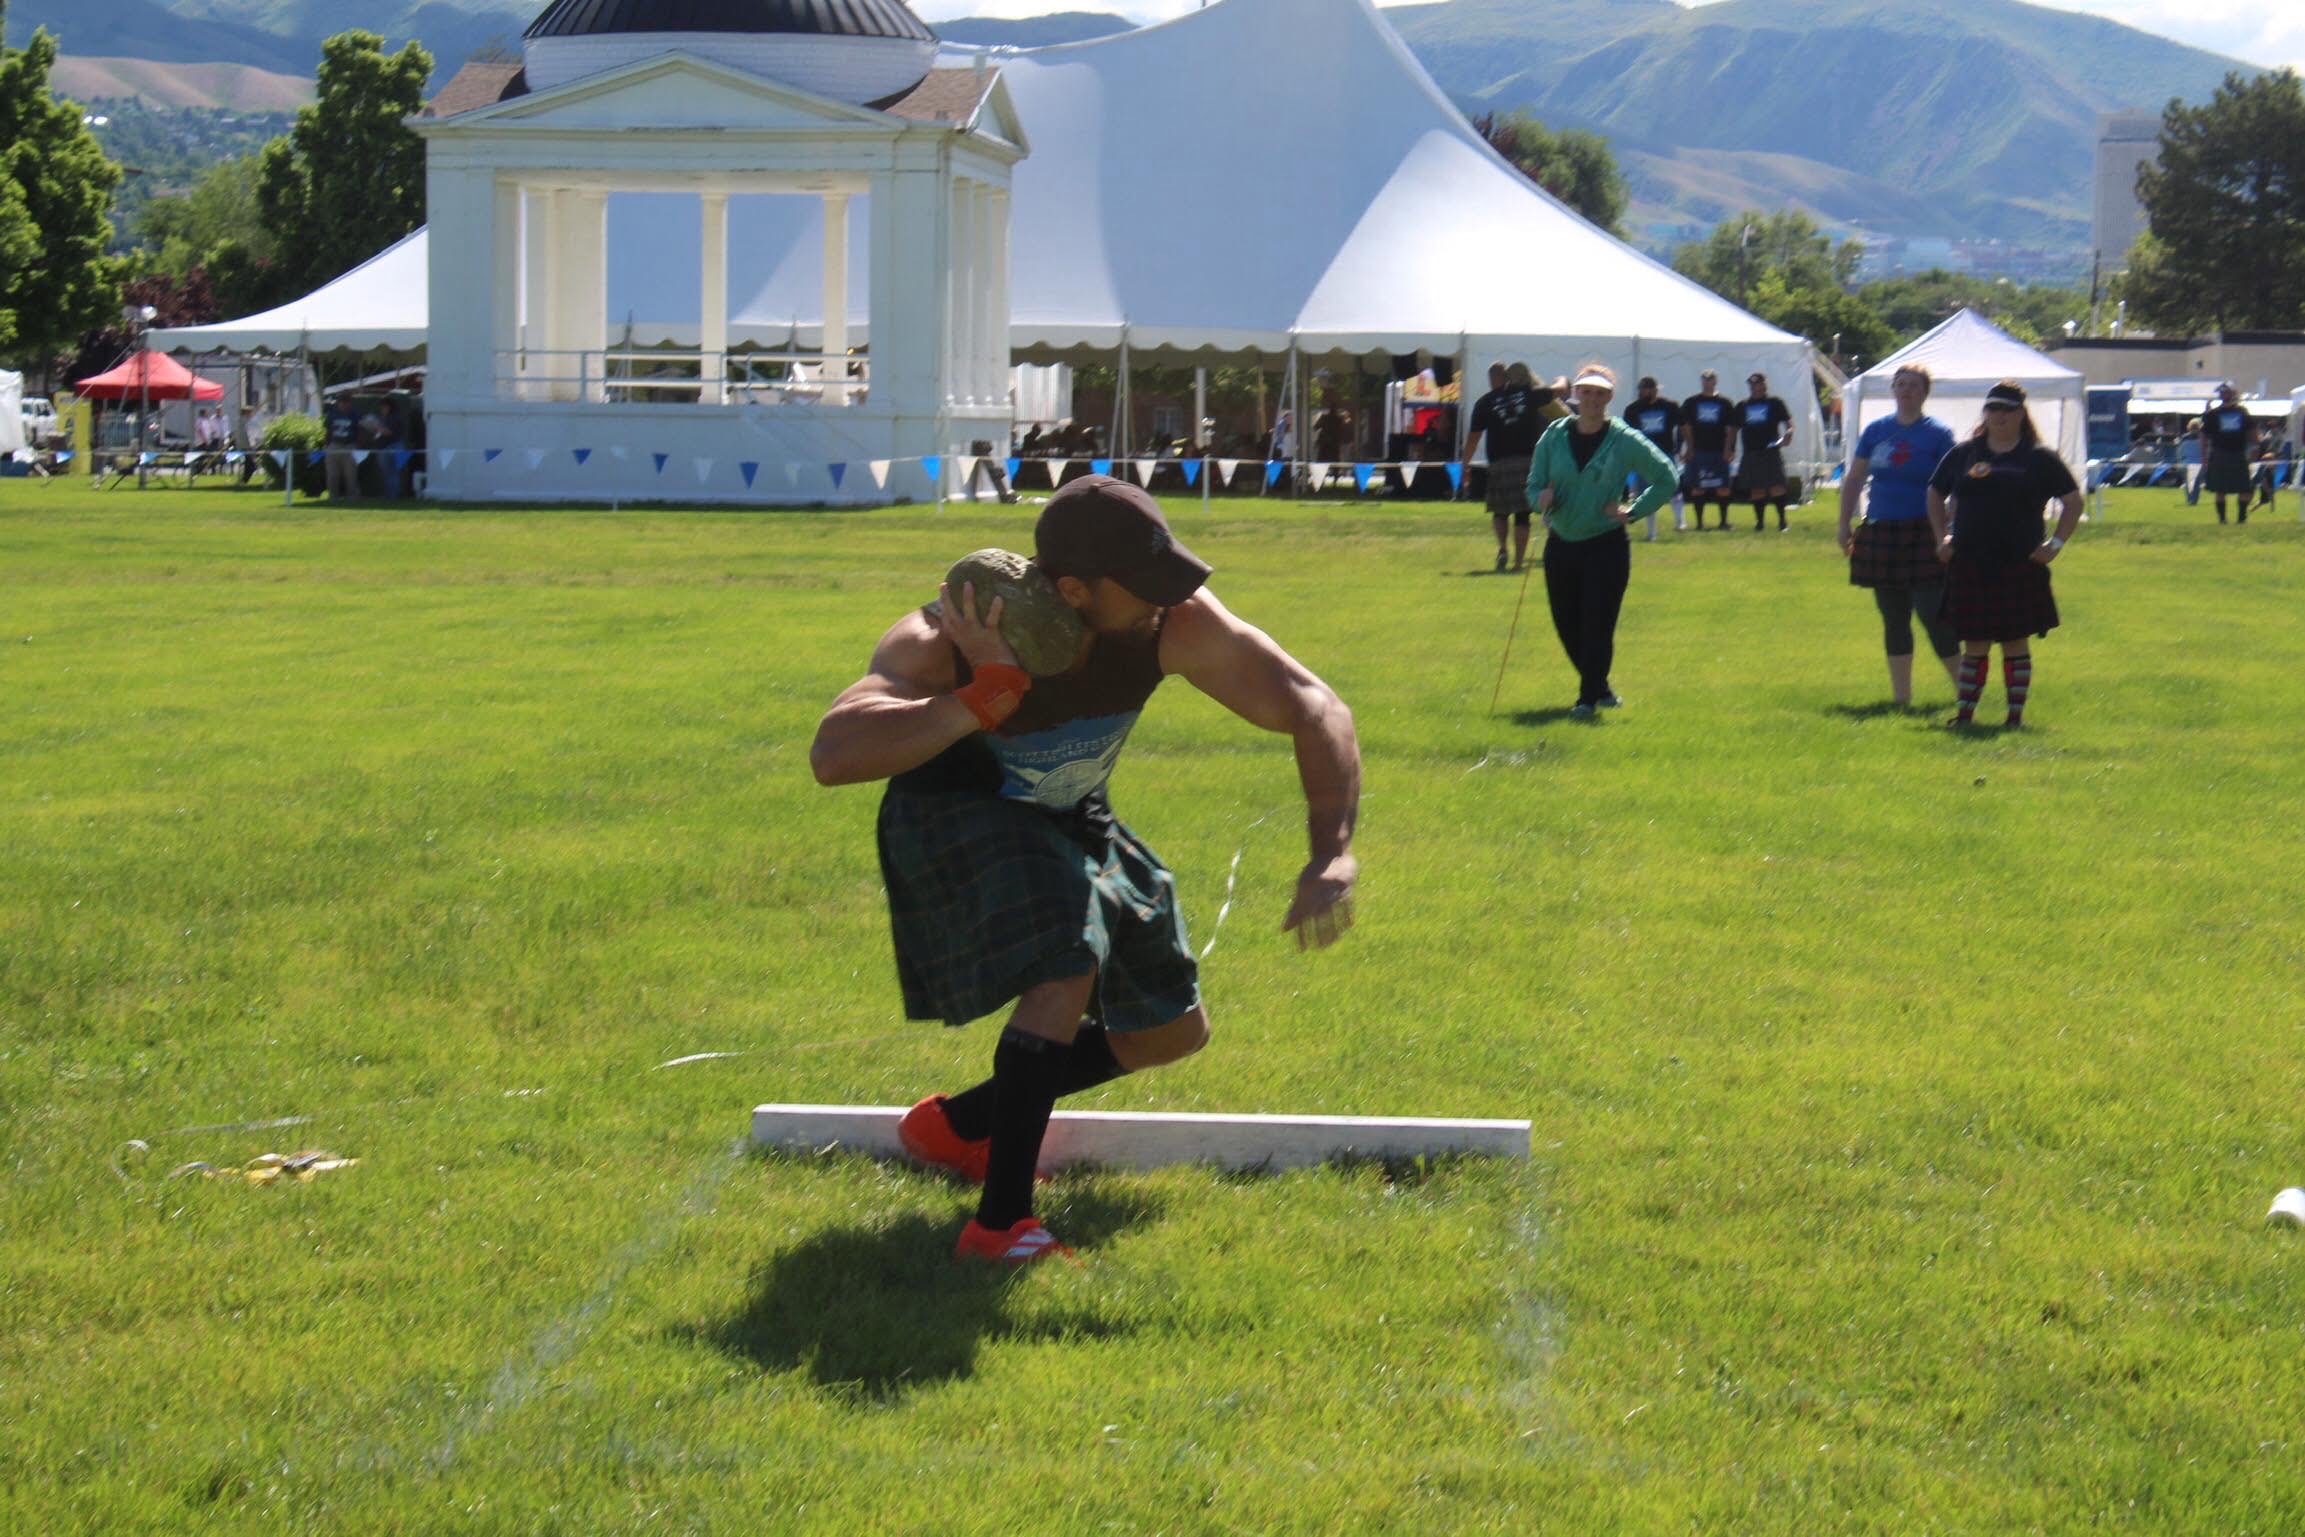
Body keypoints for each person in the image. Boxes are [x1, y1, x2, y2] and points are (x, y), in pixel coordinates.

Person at [809, 474, 1361, 1265]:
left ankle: (955, 1126)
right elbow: (835, 752)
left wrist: (1330, 848)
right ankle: (999, 1227)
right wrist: (983, 692)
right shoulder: (952, 634)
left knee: (1169, 1030)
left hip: (1072, 815)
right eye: (1141, 587)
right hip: (955, 813)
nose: (1161, 600)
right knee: (1067, 956)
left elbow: (1313, 703)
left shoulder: (1168, 622)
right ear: (1071, 588)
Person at [1927, 381, 2084, 729]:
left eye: (2007, 409)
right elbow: (1935, 492)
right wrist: (1942, 538)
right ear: (1985, 412)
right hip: (1970, 561)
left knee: (2015, 641)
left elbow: (2073, 501)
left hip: (2020, 562)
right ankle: (1965, 716)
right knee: (1975, 642)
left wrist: (2055, 545)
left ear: (2020, 414)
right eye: (1993, 408)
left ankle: (2014, 718)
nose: (1999, 415)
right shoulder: (1965, 453)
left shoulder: (2038, 457)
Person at [1525, 363, 1678, 717]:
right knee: (1566, 624)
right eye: (1586, 392)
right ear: (1576, 395)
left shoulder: (1623, 438)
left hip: (1605, 545)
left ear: (1609, 397)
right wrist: (1540, 500)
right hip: (1561, 541)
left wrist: (1633, 511)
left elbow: (1667, 477)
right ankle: (1600, 686)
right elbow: (1534, 485)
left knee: (1598, 622)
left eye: (1600, 393)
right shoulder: (1554, 435)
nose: (1592, 399)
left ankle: (1586, 699)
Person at [1839, 366, 1960, 706]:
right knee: (1893, 616)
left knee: (1932, 613)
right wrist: (1843, 523)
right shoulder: (1876, 431)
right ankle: (1901, 697)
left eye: (1914, 386)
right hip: (1881, 529)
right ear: (1893, 390)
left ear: (1925, 392)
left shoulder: (1938, 434)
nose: (1906, 391)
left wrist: (1949, 526)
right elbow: (1854, 479)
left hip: (1924, 530)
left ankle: (1966, 690)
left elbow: (1957, 485)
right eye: (1901, 385)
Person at [1463, 361, 1542, 571]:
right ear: (1508, 377)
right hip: (1526, 461)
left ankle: (1503, 549)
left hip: (1498, 463)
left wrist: (1465, 466)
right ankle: (1517, 563)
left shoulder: (1485, 402)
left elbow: (1473, 438)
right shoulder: (1527, 394)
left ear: (1491, 379)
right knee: (1522, 514)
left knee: (1499, 512)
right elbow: (1557, 391)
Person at [1622, 376, 1685, 538]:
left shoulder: (1669, 406)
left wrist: (1680, 445)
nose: (1644, 392)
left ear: (1656, 389)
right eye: (1642, 389)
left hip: (1665, 452)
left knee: (1673, 486)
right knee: (1646, 493)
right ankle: (1652, 533)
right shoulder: (1632, 409)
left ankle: (1680, 521)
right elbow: (1626, 434)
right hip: (1643, 455)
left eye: (1648, 388)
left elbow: (1683, 426)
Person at [1679, 370, 1737, 529]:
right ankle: (1699, 523)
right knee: (1698, 487)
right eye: (1704, 379)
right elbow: (1684, 427)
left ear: (1716, 381)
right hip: (1698, 450)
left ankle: (1723, 521)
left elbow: (1731, 428)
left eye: (1710, 379)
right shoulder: (1691, 402)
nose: (1707, 382)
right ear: (1701, 381)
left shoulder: (1725, 403)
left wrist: (1729, 449)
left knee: (1723, 487)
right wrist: (1686, 448)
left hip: (1719, 450)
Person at [1737, 371, 1795, 530]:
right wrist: (1729, 448)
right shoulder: (1743, 406)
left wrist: (1788, 434)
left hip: (1770, 450)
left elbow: (1788, 422)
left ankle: (1782, 522)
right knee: (1756, 489)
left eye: (1758, 384)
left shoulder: (1774, 403)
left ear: (1764, 385)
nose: (1755, 387)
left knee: (1777, 486)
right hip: (1751, 451)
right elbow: (1733, 429)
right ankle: (1759, 523)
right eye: (1752, 384)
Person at [2198, 382, 2256, 525]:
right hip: (2223, 453)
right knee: (2222, 489)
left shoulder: (2241, 412)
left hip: (2234, 453)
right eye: (2225, 393)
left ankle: (2239, 518)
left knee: (2241, 487)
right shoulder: (2215, 414)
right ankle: (2225, 519)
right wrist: (2204, 455)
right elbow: (2204, 436)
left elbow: (2252, 433)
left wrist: (2254, 448)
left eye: (2227, 392)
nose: (2226, 395)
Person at [323, 396, 360, 500]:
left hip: (350, 445)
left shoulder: (354, 415)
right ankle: (333, 496)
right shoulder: (331, 414)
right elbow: (327, 431)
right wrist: (326, 445)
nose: (344, 404)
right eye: (342, 402)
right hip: (334, 445)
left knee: (351, 473)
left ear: (350, 403)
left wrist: (358, 445)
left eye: (346, 402)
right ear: (338, 403)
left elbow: (359, 431)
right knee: (332, 474)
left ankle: (352, 496)